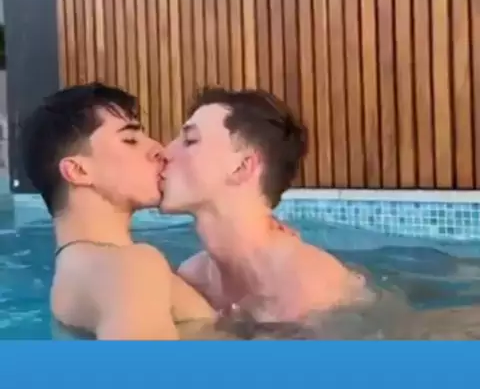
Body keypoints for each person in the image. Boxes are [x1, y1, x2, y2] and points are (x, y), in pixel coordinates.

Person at [21, 83, 217, 339]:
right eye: (130, 140)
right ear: (78, 171)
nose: (159, 149)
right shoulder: (130, 269)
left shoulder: (80, 274)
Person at [161, 87, 370, 326]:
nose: (165, 152)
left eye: (190, 141)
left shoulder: (308, 289)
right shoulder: (192, 278)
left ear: (242, 167)